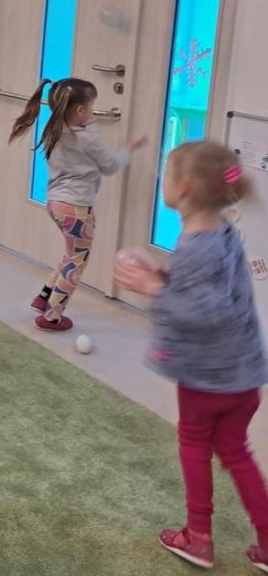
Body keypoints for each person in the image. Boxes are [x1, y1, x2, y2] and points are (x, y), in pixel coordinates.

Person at [114, 141, 268, 572]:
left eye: (166, 175)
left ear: (183, 188)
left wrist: (153, 288)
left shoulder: (197, 244)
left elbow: (206, 311)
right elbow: (211, 291)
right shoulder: (223, 231)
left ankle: (198, 538)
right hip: (244, 375)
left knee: (194, 446)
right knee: (236, 451)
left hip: (210, 378)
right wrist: (164, 276)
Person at [9, 77, 145, 331]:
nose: (94, 113)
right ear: (81, 110)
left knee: (71, 254)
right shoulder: (87, 137)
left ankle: (44, 297)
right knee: (77, 262)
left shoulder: (54, 129)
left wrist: (87, 125)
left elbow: (76, 143)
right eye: (92, 107)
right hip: (78, 208)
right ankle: (52, 317)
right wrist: (129, 149)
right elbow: (109, 166)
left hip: (56, 203)